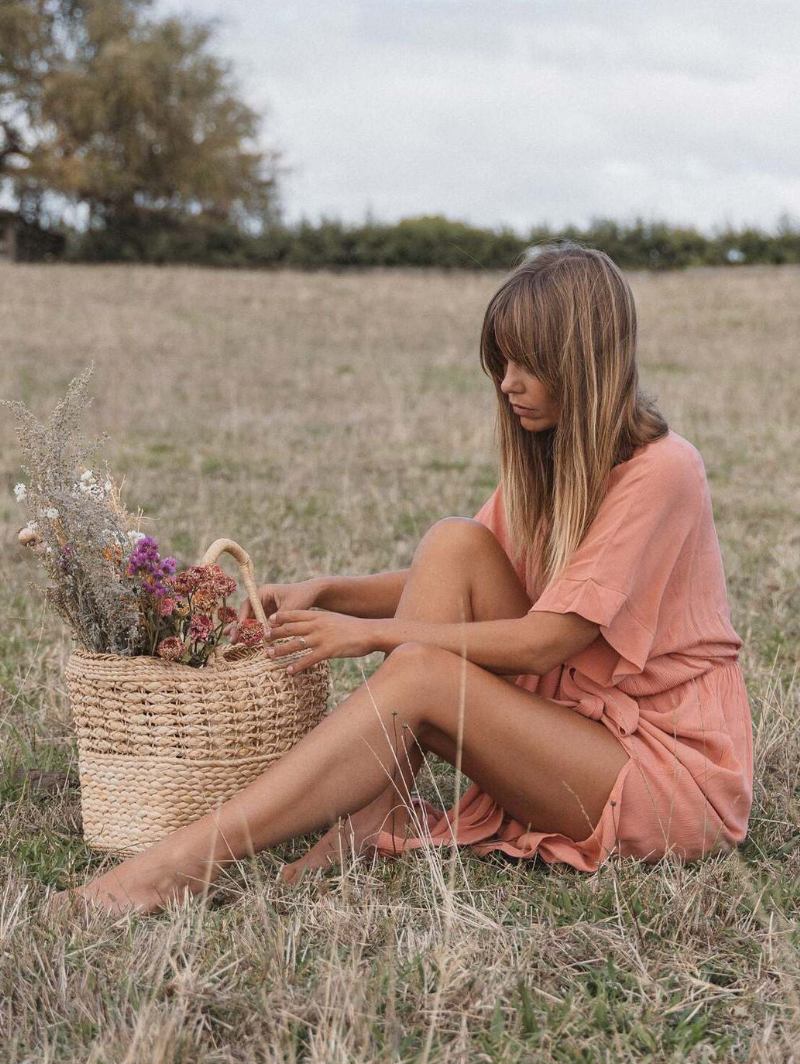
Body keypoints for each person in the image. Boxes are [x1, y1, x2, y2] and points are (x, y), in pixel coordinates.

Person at [56, 241, 753, 915]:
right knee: (454, 544)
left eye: (528, 364)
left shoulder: (664, 470)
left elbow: (547, 641)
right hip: (577, 725)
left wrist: (367, 636)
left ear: (581, 363)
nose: (508, 383)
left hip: (663, 777)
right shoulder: (558, 462)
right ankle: (373, 812)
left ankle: (175, 869)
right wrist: (329, 591)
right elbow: (470, 575)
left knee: (421, 674)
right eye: (502, 363)